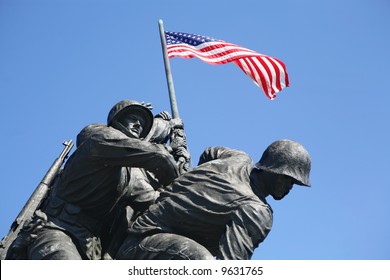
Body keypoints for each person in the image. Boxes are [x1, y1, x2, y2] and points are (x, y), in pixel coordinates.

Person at [7, 100, 186, 260]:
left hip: (92, 247)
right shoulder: (98, 135)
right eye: (133, 117)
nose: (138, 124)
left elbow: (157, 201)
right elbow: (157, 156)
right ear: (116, 120)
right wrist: (178, 180)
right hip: (56, 229)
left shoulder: (132, 175)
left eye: (143, 123)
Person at [116, 139, 312, 260]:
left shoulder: (237, 157)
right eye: (287, 178)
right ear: (271, 169)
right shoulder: (256, 210)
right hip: (140, 246)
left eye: (294, 182)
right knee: (203, 263)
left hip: (143, 235)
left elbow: (209, 153)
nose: (289, 187)